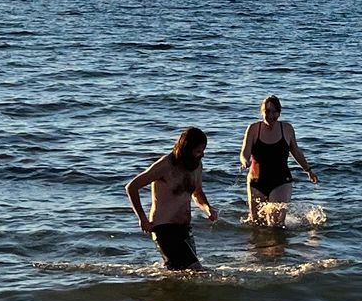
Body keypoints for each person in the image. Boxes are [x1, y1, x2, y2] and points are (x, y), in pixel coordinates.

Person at [126, 127, 216, 269]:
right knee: (196, 270)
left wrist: (208, 209)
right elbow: (132, 187)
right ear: (187, 148)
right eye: (198, 151)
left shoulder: (196, 166)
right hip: (164, 230)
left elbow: (197, 193)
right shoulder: (166, 165)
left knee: (183, 275)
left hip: (184, 229)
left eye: (203, 150)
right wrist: (142, 219)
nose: (202, 155)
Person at [238, 95, 319, 220]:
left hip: (281, 181)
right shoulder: (253, 129)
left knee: (276, 224)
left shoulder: (286, 129)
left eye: (274, 112)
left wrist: (308, 170)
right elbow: (244, 152)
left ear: (279, 113)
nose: (270, 116)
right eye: (267, 111)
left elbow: (296, 152)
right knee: (256, 222)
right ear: (262, 112)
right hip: (256, 181)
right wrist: (245, 162)